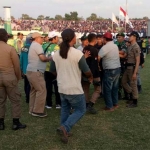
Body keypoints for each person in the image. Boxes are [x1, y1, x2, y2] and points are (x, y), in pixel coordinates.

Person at [50, 29, 93, 144]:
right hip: (74, 88)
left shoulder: (56, 54)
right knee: (81, 109)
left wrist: (62, 74)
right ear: (73, 38)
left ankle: (64, 129)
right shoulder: (77, 54)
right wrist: (90, 77)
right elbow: (87, 71)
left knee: (65, 108)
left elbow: (52, 70)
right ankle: (65, 127)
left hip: (62, 87)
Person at [0, 29, 26, 130]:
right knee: (15, 100)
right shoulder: (10, 49)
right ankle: (16, 122)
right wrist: (18, 77)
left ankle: (1, 123)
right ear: (4, 36)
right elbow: (16, 65)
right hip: (9, 77)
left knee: (1, 100)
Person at [26, 32, 52, 117]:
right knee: (41, 90)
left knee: (34, 90)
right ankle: (37, 111)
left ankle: (32, 109)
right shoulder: (37, 46)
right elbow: (42, 58)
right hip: (36, 71)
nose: (43, 39)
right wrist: (50, 58)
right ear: (37, 38)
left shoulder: (33, 45)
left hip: (31, 71)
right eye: (41, 37)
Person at [98, 32, 121, 111]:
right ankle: (115, 103)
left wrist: (98, 65)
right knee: (115, 87)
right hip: (117, 68)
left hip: (109, 69)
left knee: (107, 89)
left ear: (105, 39)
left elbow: (98, 57)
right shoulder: (115, 46)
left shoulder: (105, 47)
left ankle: (109, 106)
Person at [82, 33, 101, 114]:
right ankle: (90, 104)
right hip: (93, 73)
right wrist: (93, 76)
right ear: (95, 40)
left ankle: (86, 105)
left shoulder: (84, 48)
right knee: (98, 89)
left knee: (86, 89)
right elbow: (94, 64)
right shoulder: (94, 50)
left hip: (84, 72)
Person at [122, 31, 140, 108]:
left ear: (134, 37)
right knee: (123, 82)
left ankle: (135, 101)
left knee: (133, 84)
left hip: (132, 68)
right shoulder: (130, 46)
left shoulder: (136, 47)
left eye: (130, 36)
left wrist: (135, 73)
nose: (129, 37)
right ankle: (132, 94)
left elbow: (137, 60)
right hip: (128, 67)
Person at [43, 31, 61, 109]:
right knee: (57, 87)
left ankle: (49, 104)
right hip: (54, 69)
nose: (58, 39)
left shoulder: (43, 46)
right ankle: (58, 103)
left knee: (48, 87)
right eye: (57, 37)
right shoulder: (57, 47)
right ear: (54, 38)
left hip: (46, 69)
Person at [20, 33, 32, 103]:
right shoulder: (33, 48)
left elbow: (21, 59)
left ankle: (27, 97)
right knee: (30, 85)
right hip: (31, 69)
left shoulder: (23, 48)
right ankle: (29, 97)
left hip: (24, 69)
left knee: (26, 83)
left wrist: (21, 68)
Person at [115, 33, 127, 100]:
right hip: (116, 63)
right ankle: (118, 94)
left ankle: (126, 94)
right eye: (117, 37)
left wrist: (115, 52)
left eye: (120, 37)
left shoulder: (124, 44)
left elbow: (123, 52)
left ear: (123, 38)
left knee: (122, 79)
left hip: (122, 64)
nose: (118, 38)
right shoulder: (115, 43)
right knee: (117, 80)